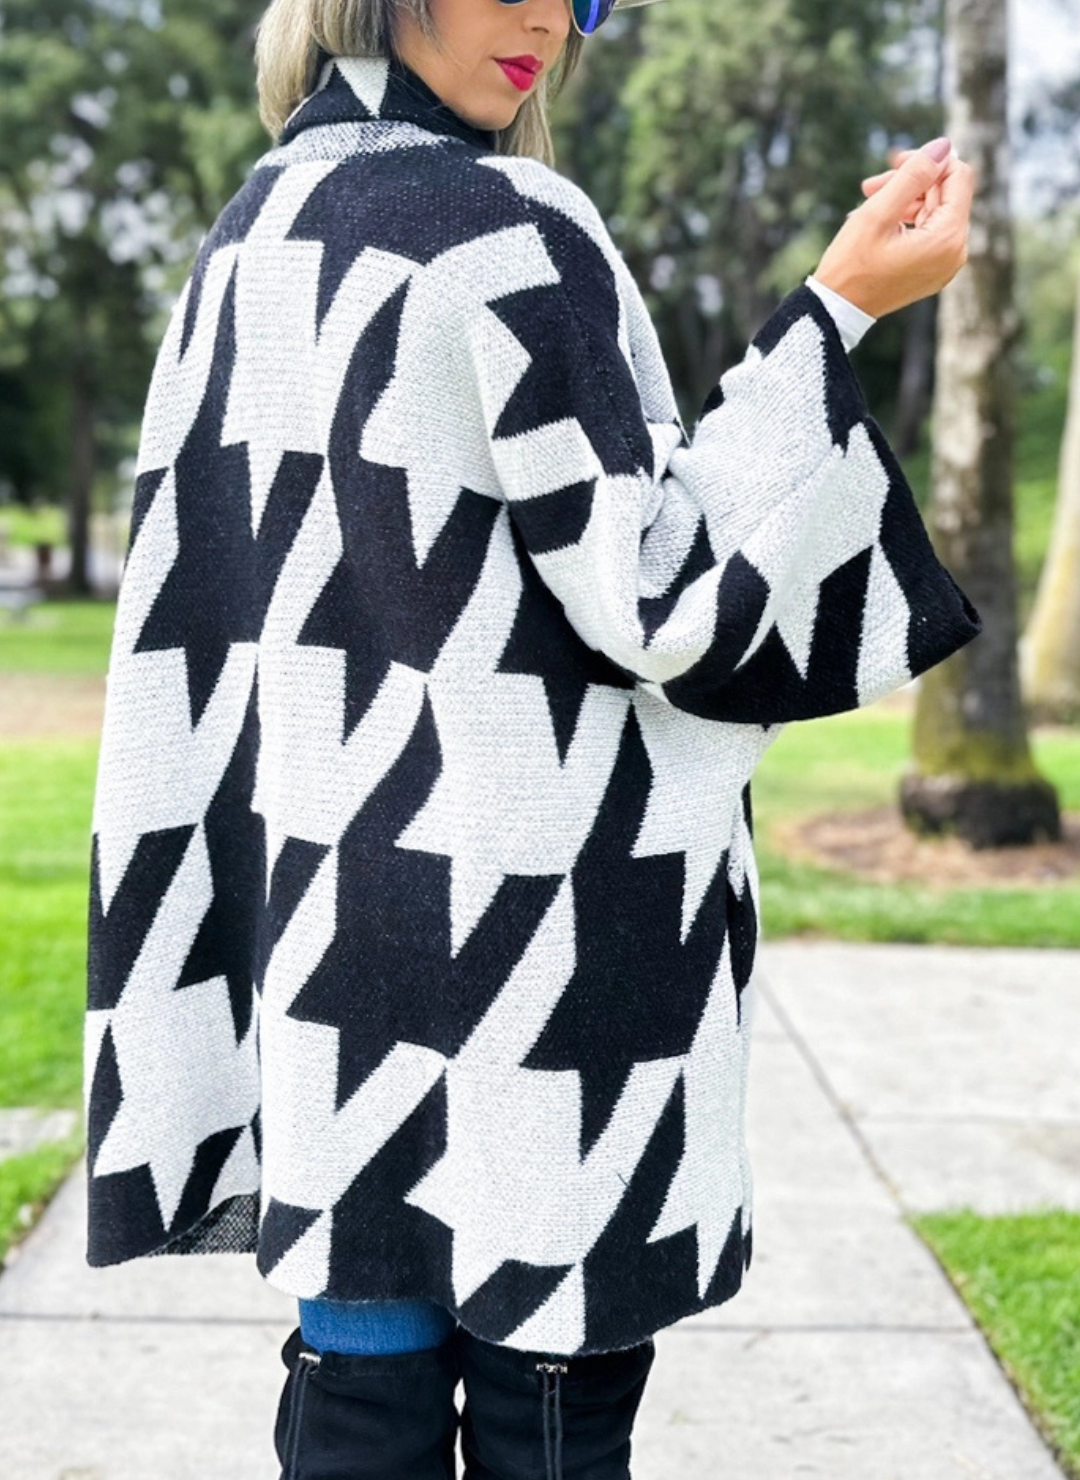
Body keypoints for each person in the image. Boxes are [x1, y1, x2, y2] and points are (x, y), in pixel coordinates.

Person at [82, 0, 980, 1475]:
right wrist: (838, 310)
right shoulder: (509, 229)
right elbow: (659, 592)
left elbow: (208, 624)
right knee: (549, 1407)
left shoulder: (250, 236)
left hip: (334, 933)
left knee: (354, 1382)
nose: (546, 22)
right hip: (540, 940)